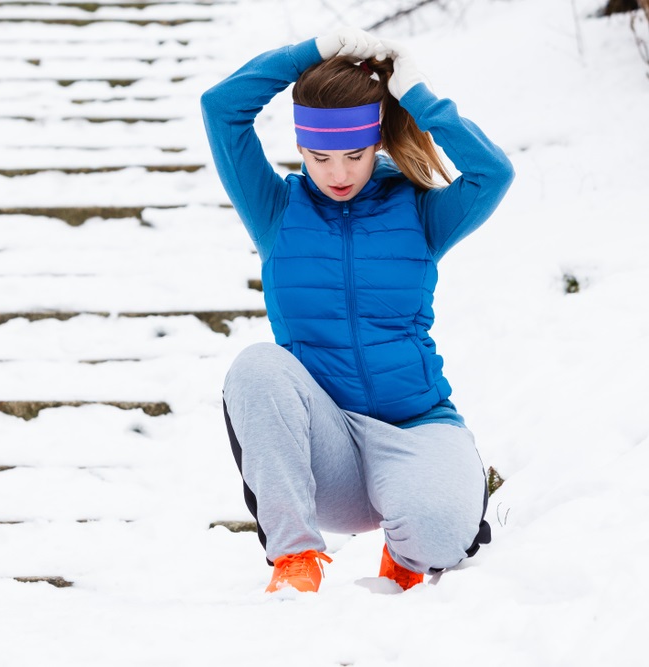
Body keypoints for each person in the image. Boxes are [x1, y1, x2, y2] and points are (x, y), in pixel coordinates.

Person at [200, 28, 514, 593]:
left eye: (355, 154)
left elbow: (494, 173)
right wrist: (308, 53)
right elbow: (221, 108)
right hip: (329, 446)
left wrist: (416, 95)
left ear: (376, 144)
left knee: (440, 537)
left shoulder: (420, 213)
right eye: (320, 156)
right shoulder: (275, 211)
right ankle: (296, 562)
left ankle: (426, 523)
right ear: (300, 147)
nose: (338, 173)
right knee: (256, 366)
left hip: (417, 428)